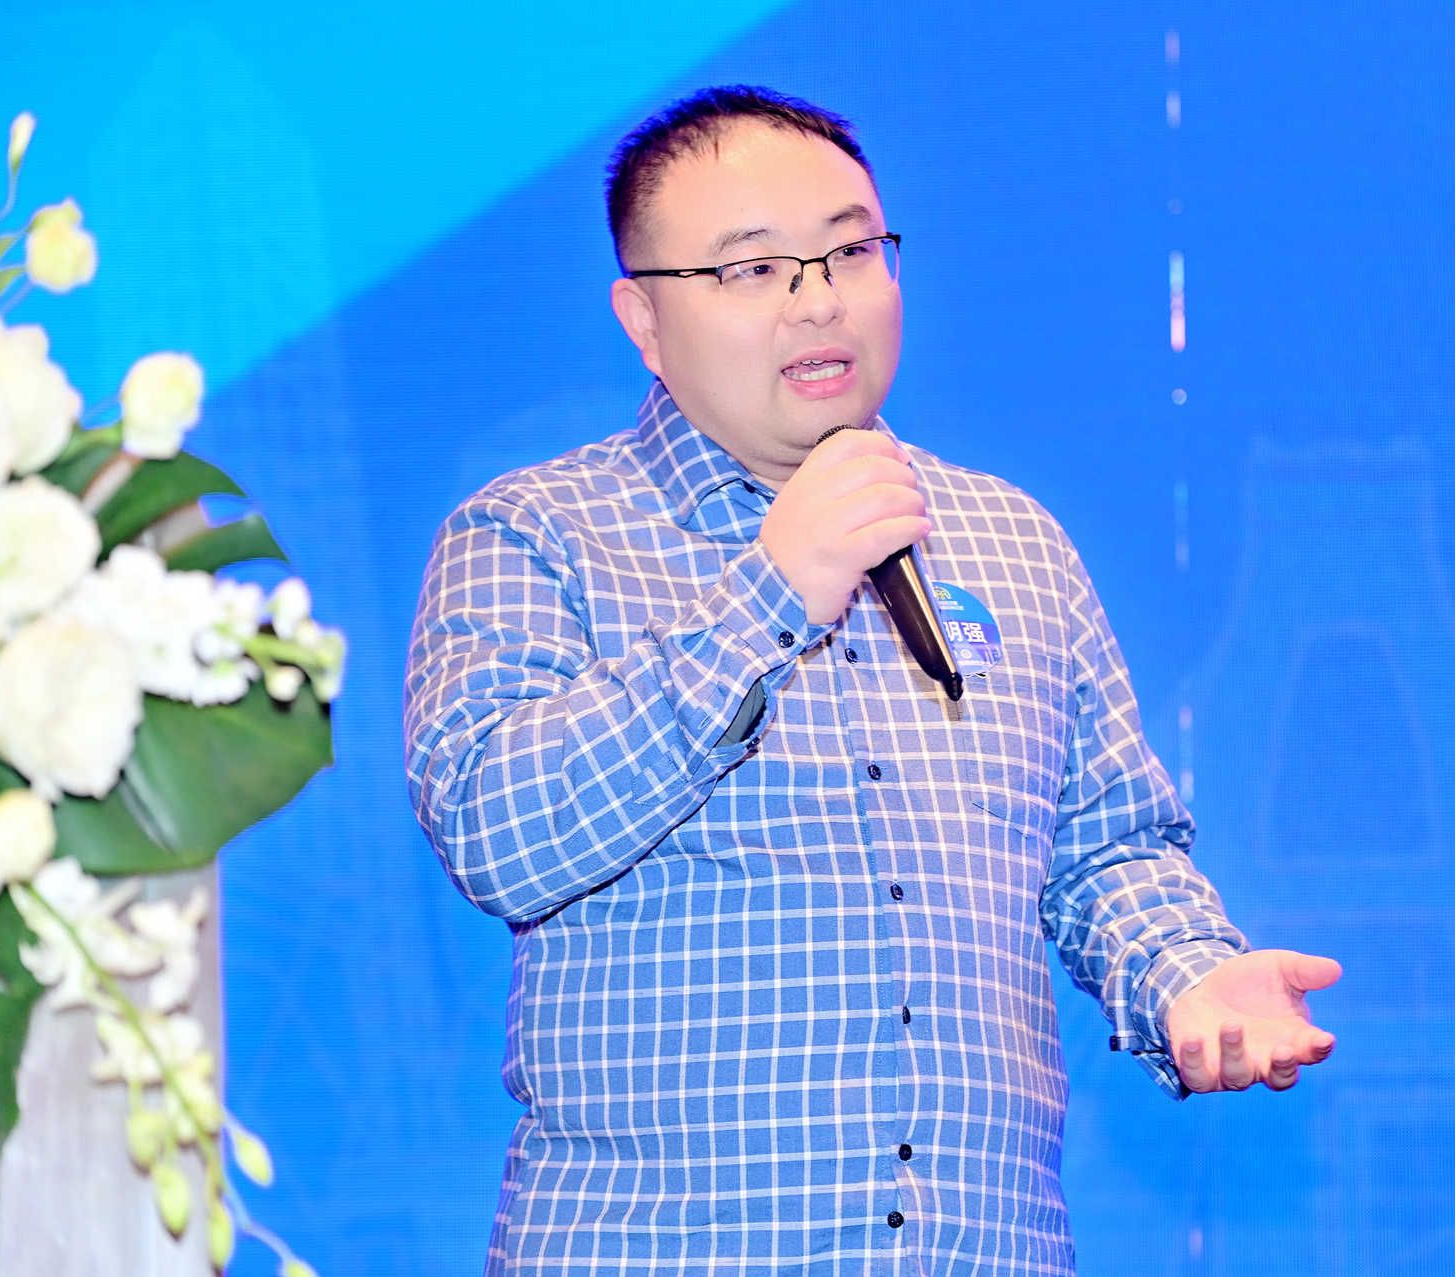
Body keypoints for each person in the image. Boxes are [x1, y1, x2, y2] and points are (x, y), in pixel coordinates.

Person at [404, 84, 1341, 1275]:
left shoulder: (1010, 541)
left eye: (851, 251)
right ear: (643, 317)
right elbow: (498, 830)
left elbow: (1107, 849)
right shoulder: (535, 534)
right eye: (755, 269)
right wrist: (773, 587)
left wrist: (1188, 973)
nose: (820, 300)